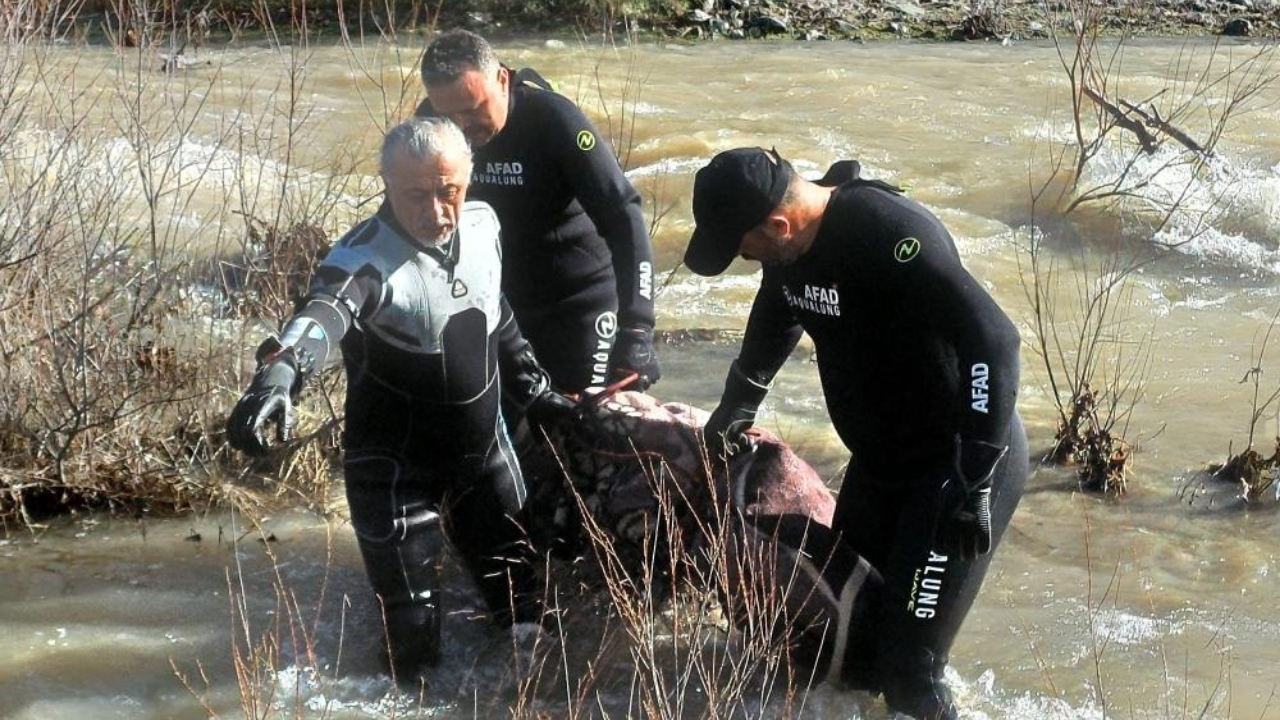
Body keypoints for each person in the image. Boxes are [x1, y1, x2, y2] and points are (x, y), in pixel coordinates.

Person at [683, 147, 1028, 720]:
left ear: (777, 224)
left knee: (909, 669)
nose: (746, 260)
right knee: (850, 638)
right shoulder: (790, 253)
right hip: (880, 466)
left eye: (745, 249)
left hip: (956, 469)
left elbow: (994, 341)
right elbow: (779, 310)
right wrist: (735, 409)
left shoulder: (889, 234)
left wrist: (977, 477)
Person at [225, 116, 572, 681]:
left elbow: (493, 305)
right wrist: (282, 370)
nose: (436, 210)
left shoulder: (483, 224)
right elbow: (322, 315)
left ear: (469, 179)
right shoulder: (362, 260)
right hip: (394, 470)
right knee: (413, 653)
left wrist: (533, 382)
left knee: (531, 618)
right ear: (385, 184)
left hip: (484, 459)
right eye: (416, 195)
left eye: (449, 191)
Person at [415, 29, 661, 395]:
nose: (463, 129)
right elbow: (405, 217)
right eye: (449, 117)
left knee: (584, 429)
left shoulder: (552, 120)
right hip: (498, 309)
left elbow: (623, 214)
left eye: (474, 109)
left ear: (502, 79)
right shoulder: (430, 128)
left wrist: (637, 327)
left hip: (580, 305)